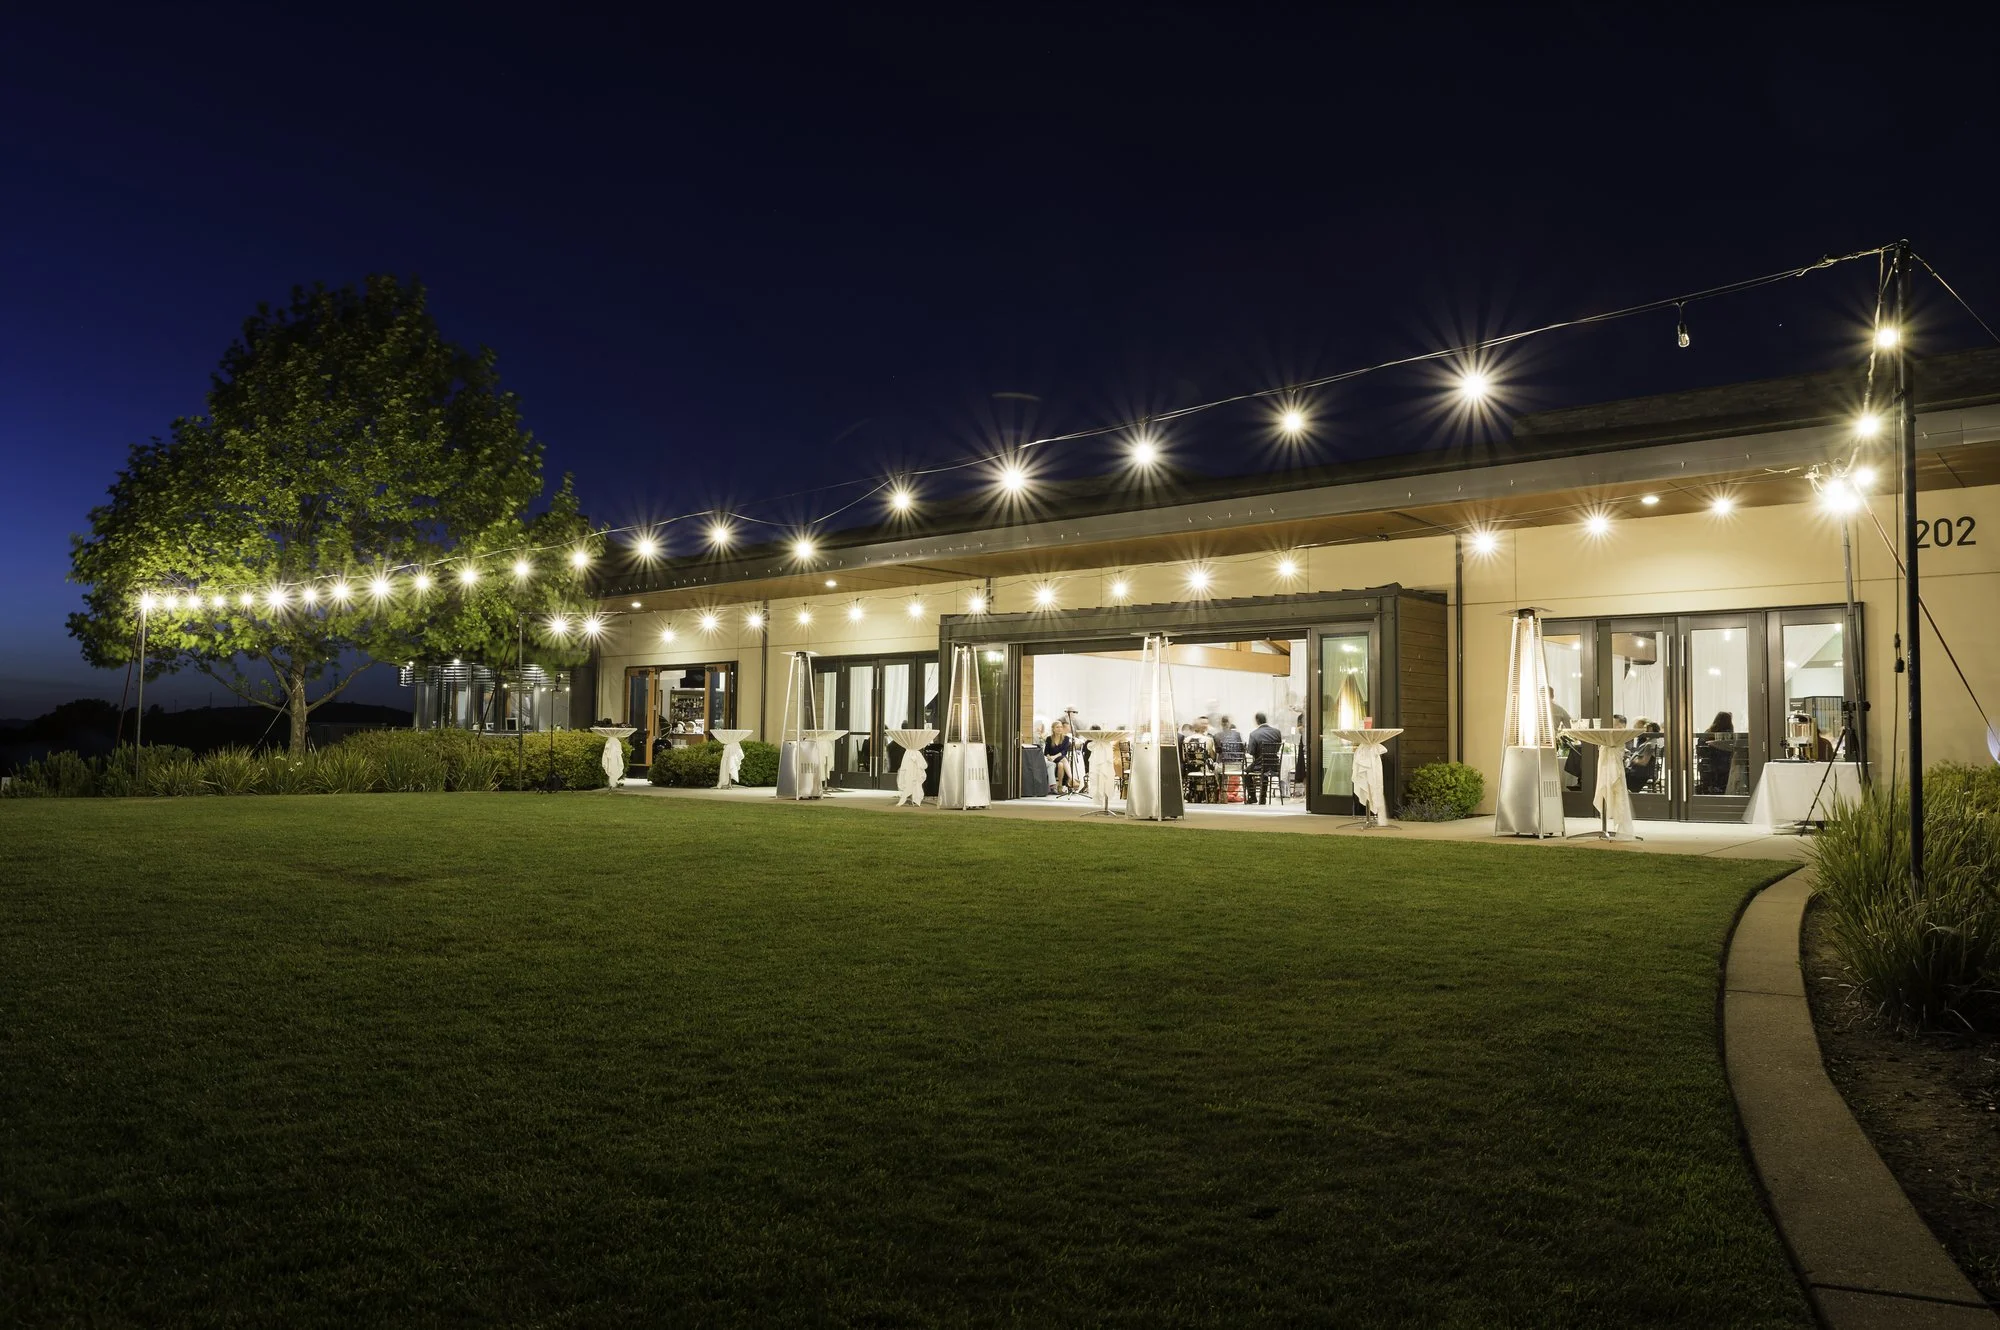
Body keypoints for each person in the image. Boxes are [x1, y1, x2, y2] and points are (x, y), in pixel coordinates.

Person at [1696, 710, 1737, 795]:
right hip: (1724, 768)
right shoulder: (1728, 735)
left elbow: (1700, 751)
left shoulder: (1707, 734)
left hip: (1707, 767)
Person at [1246, 712, 1284, 804]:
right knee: (1265, 772)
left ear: (1257, 721)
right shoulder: (1277, 732)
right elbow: (1278, 747)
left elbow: (1251, 751)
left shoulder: (1254, 734)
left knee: (1245, 773)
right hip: (1274, 764)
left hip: (1260, 764)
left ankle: (1253, 797)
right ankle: (1262, 797)